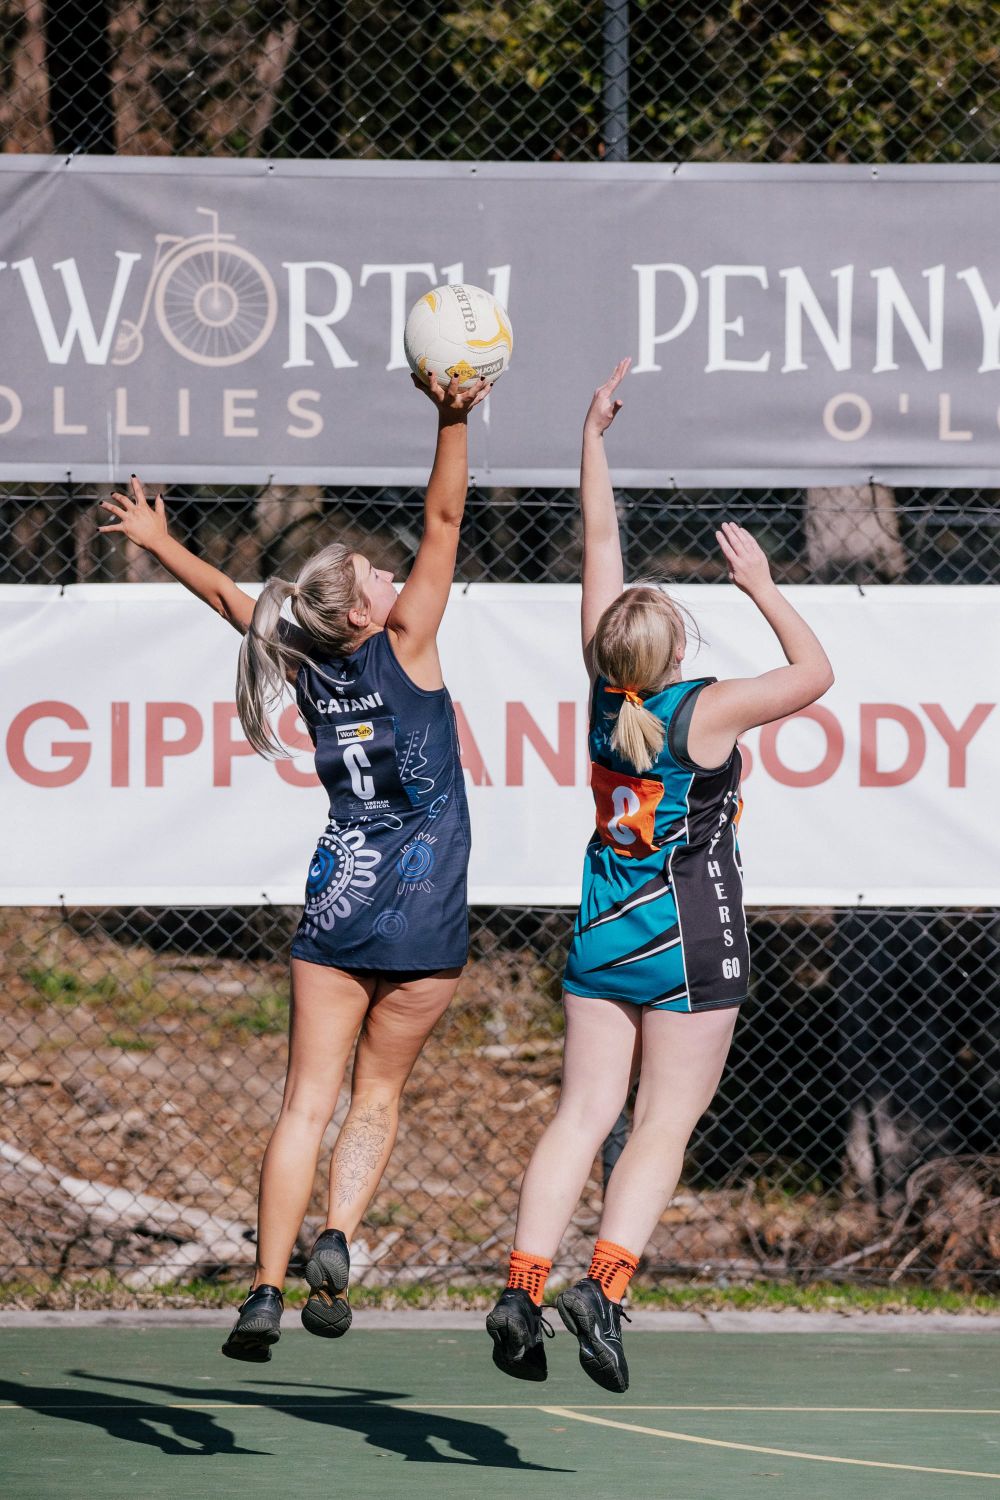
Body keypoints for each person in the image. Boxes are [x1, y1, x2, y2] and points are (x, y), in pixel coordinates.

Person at [99, 372, 488, 1362]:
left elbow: (237, 600)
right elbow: (445, 513)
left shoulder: (308, 659)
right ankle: (339, 1235)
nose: (397, 580)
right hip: (425, 924)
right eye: (380, 576)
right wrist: (452, 418)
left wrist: (158, 544)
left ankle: (265, 1289)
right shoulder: (406, 646)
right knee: (377, 1098)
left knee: (303, 1104)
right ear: (363, 611)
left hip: (336, 910)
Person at [485, 358, 834, 1392]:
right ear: (674, 643)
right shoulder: (703, 709)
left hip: (600, 928)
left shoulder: (606, 694)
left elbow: (599, 543)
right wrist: (764, 588)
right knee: (664, 1121)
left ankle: (517, 1286)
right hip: (685, 939)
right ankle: (606, 1286)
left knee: (580, 1115)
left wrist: (590, 436)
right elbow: (816, 675)